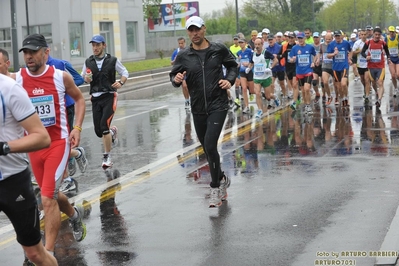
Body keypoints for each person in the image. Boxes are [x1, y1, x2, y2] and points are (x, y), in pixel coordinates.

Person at [16, 33, 87, 259]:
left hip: (57, 143)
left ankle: (48, 253)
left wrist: (77, 128)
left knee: (46, 198)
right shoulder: (18, 78)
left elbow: (80, 99)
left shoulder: (60, 77)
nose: (29, 56)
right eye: (26, 52)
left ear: (46, 52)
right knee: (52, 194)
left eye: (34, 51)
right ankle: (75, 215)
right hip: (34, 147)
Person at [170, 16, 237, 207]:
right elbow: (173, 75)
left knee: (210, 143)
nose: (194, 33)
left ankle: (215, 187)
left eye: (197, 29)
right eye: (190, 30)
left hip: (218, 104)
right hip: (198, 107)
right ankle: (222, 178)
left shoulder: (218, 49)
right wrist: (176, 79)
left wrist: (229, 80)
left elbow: (233, 66)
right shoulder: (184, 55)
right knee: (207, 148)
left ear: (204, 29)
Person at [0, 74, 57, 266]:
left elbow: (42, 137)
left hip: (13, 181)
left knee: (35, 254)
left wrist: (4, 147)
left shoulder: (10, 89)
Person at [81, 34, 129, 168]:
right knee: (98, 131)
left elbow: (125, 72)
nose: (95, 48)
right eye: (93, 45)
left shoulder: (112, 60)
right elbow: (83, 77)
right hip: (96, 98)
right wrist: (87, 79)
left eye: (97, 45)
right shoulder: (88, 62)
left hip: (109, 96)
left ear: (104, 45)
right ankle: (112, 132)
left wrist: (121, 82)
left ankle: (107, 157)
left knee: (103, 126)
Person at [46, 55, 88, 193]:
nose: (31, 56)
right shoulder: (32, 69)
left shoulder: (60, 64)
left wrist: (62, 89)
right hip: (48, 112)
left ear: (45, 51)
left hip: (65, 107)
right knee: (47, 145)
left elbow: (78, 79)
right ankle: (75, 154)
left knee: (60, 144)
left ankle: (67, 179)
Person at [360, 27, 390, 108]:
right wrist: (366, 57)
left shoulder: (383, 43)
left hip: (380, 66)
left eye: (379, 35)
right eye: (376, 34)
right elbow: (362, 52)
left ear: (380, 35)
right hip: (371, 66)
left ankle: (379, 100)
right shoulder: (368, 42)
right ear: (373, 34)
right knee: (373, 83)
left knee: (380, 82)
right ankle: (376, 91)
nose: (377, 36)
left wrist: (389, 58)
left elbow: (387, 52)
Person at [289, 32, 317, 114]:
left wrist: (313, 62)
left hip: (308, 71)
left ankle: (308, 105)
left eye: (301, 38)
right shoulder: (294, 48)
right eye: (299, 38)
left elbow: (315, 55)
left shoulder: (310, 47)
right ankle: (306, 105)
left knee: (307, 88)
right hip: (299, 72)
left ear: (304, 38)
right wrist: (292, 59)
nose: (300, 40)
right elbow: (290, 59)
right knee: (303, 91)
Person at [250, 37, 278, 119]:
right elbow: (252, 62)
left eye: (259, 44)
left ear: (262, 45)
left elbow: (276, 60)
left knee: (268, 96)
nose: (257, 46)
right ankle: (259, 110)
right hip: (257, 77)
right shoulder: (253, 54)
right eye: (256, 44)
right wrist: (249, 67)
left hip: (266, 77)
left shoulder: (266, 52)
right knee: (257, 93)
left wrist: (270, 68)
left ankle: (275, 97)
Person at [327, 30, 353, 107]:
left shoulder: (346, 43)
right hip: (335, 68)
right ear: (334, 37)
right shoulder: (331, 44)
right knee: (338, 87)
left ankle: (346, 97)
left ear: (341, 36)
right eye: (336, 36)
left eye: (338, 36)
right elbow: (328, 55)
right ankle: (342, 98)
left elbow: (351, 51)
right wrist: (334, 54)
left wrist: (349, 58)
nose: (337, 37)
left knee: (343, 83)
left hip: (344, 66)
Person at [171, 37, 190, 111]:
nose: (180, 45)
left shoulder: (188, 50)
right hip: (181, 72)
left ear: (184, 43)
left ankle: (192, 100)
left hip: (189, 70)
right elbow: (171, 63)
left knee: (189, 87)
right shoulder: (176, 52)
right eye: (179, 43)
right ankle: (187, 100)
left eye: (182, 43)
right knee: (184, 85)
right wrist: (175, 60)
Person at [237, 38, 255, 113]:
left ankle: (263, 94)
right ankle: (247, 106)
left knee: (252, 90)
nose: (241, 44)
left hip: (249, 72)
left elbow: (253, 61)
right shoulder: (239, 52)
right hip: (242, 72)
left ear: (245, 43)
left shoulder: (250, 51)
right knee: (244, 88)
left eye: (242, 42)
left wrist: (248, 65)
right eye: (239, 43)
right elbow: (238, 61)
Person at [385, 26, 399, 97]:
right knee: (393, 75)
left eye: (393, 32)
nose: (391, 33)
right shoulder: (387, 38)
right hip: (391, 58)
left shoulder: (397, 37)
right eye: (390, 32)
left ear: (394, 32)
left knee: (398, 74)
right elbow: (384, 47)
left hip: (398, 58)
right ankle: (396, 88)